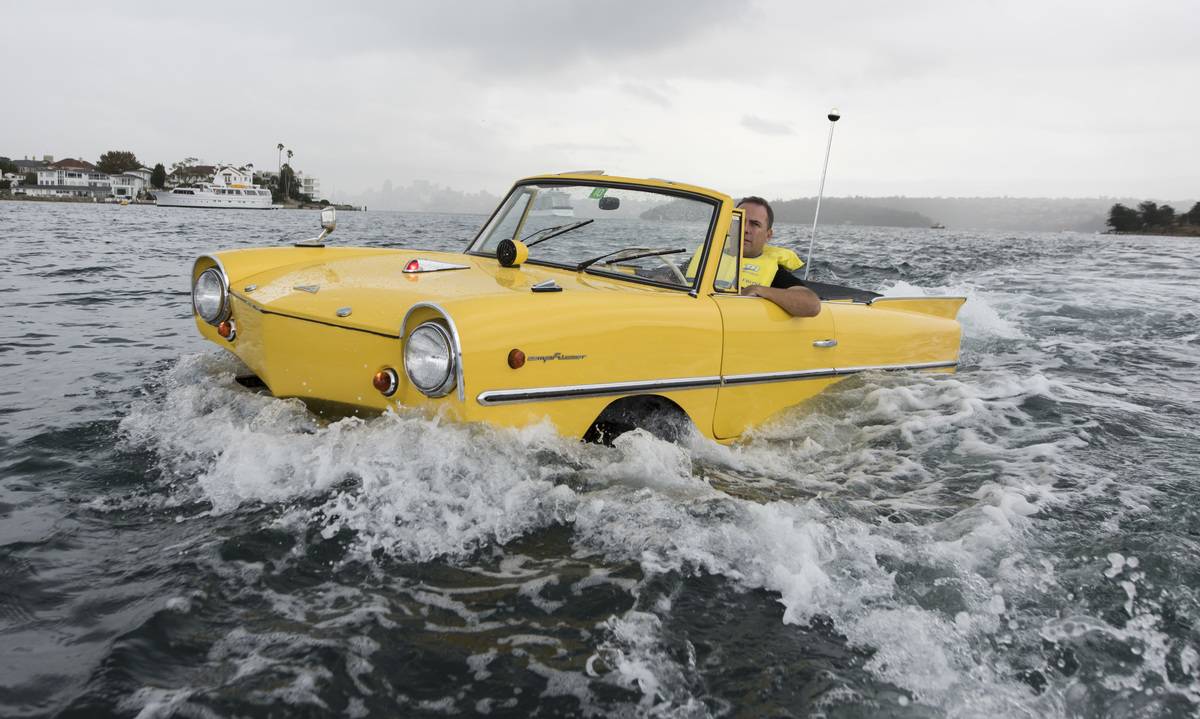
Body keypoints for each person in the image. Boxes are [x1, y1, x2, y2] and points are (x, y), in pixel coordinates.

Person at [736, 197, 821, 317]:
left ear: (768, 235)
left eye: (755, 224)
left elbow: (812, 305)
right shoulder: (706, 256)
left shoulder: (774, 272)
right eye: (739, 221)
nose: (745, 229)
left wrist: (758, 290)